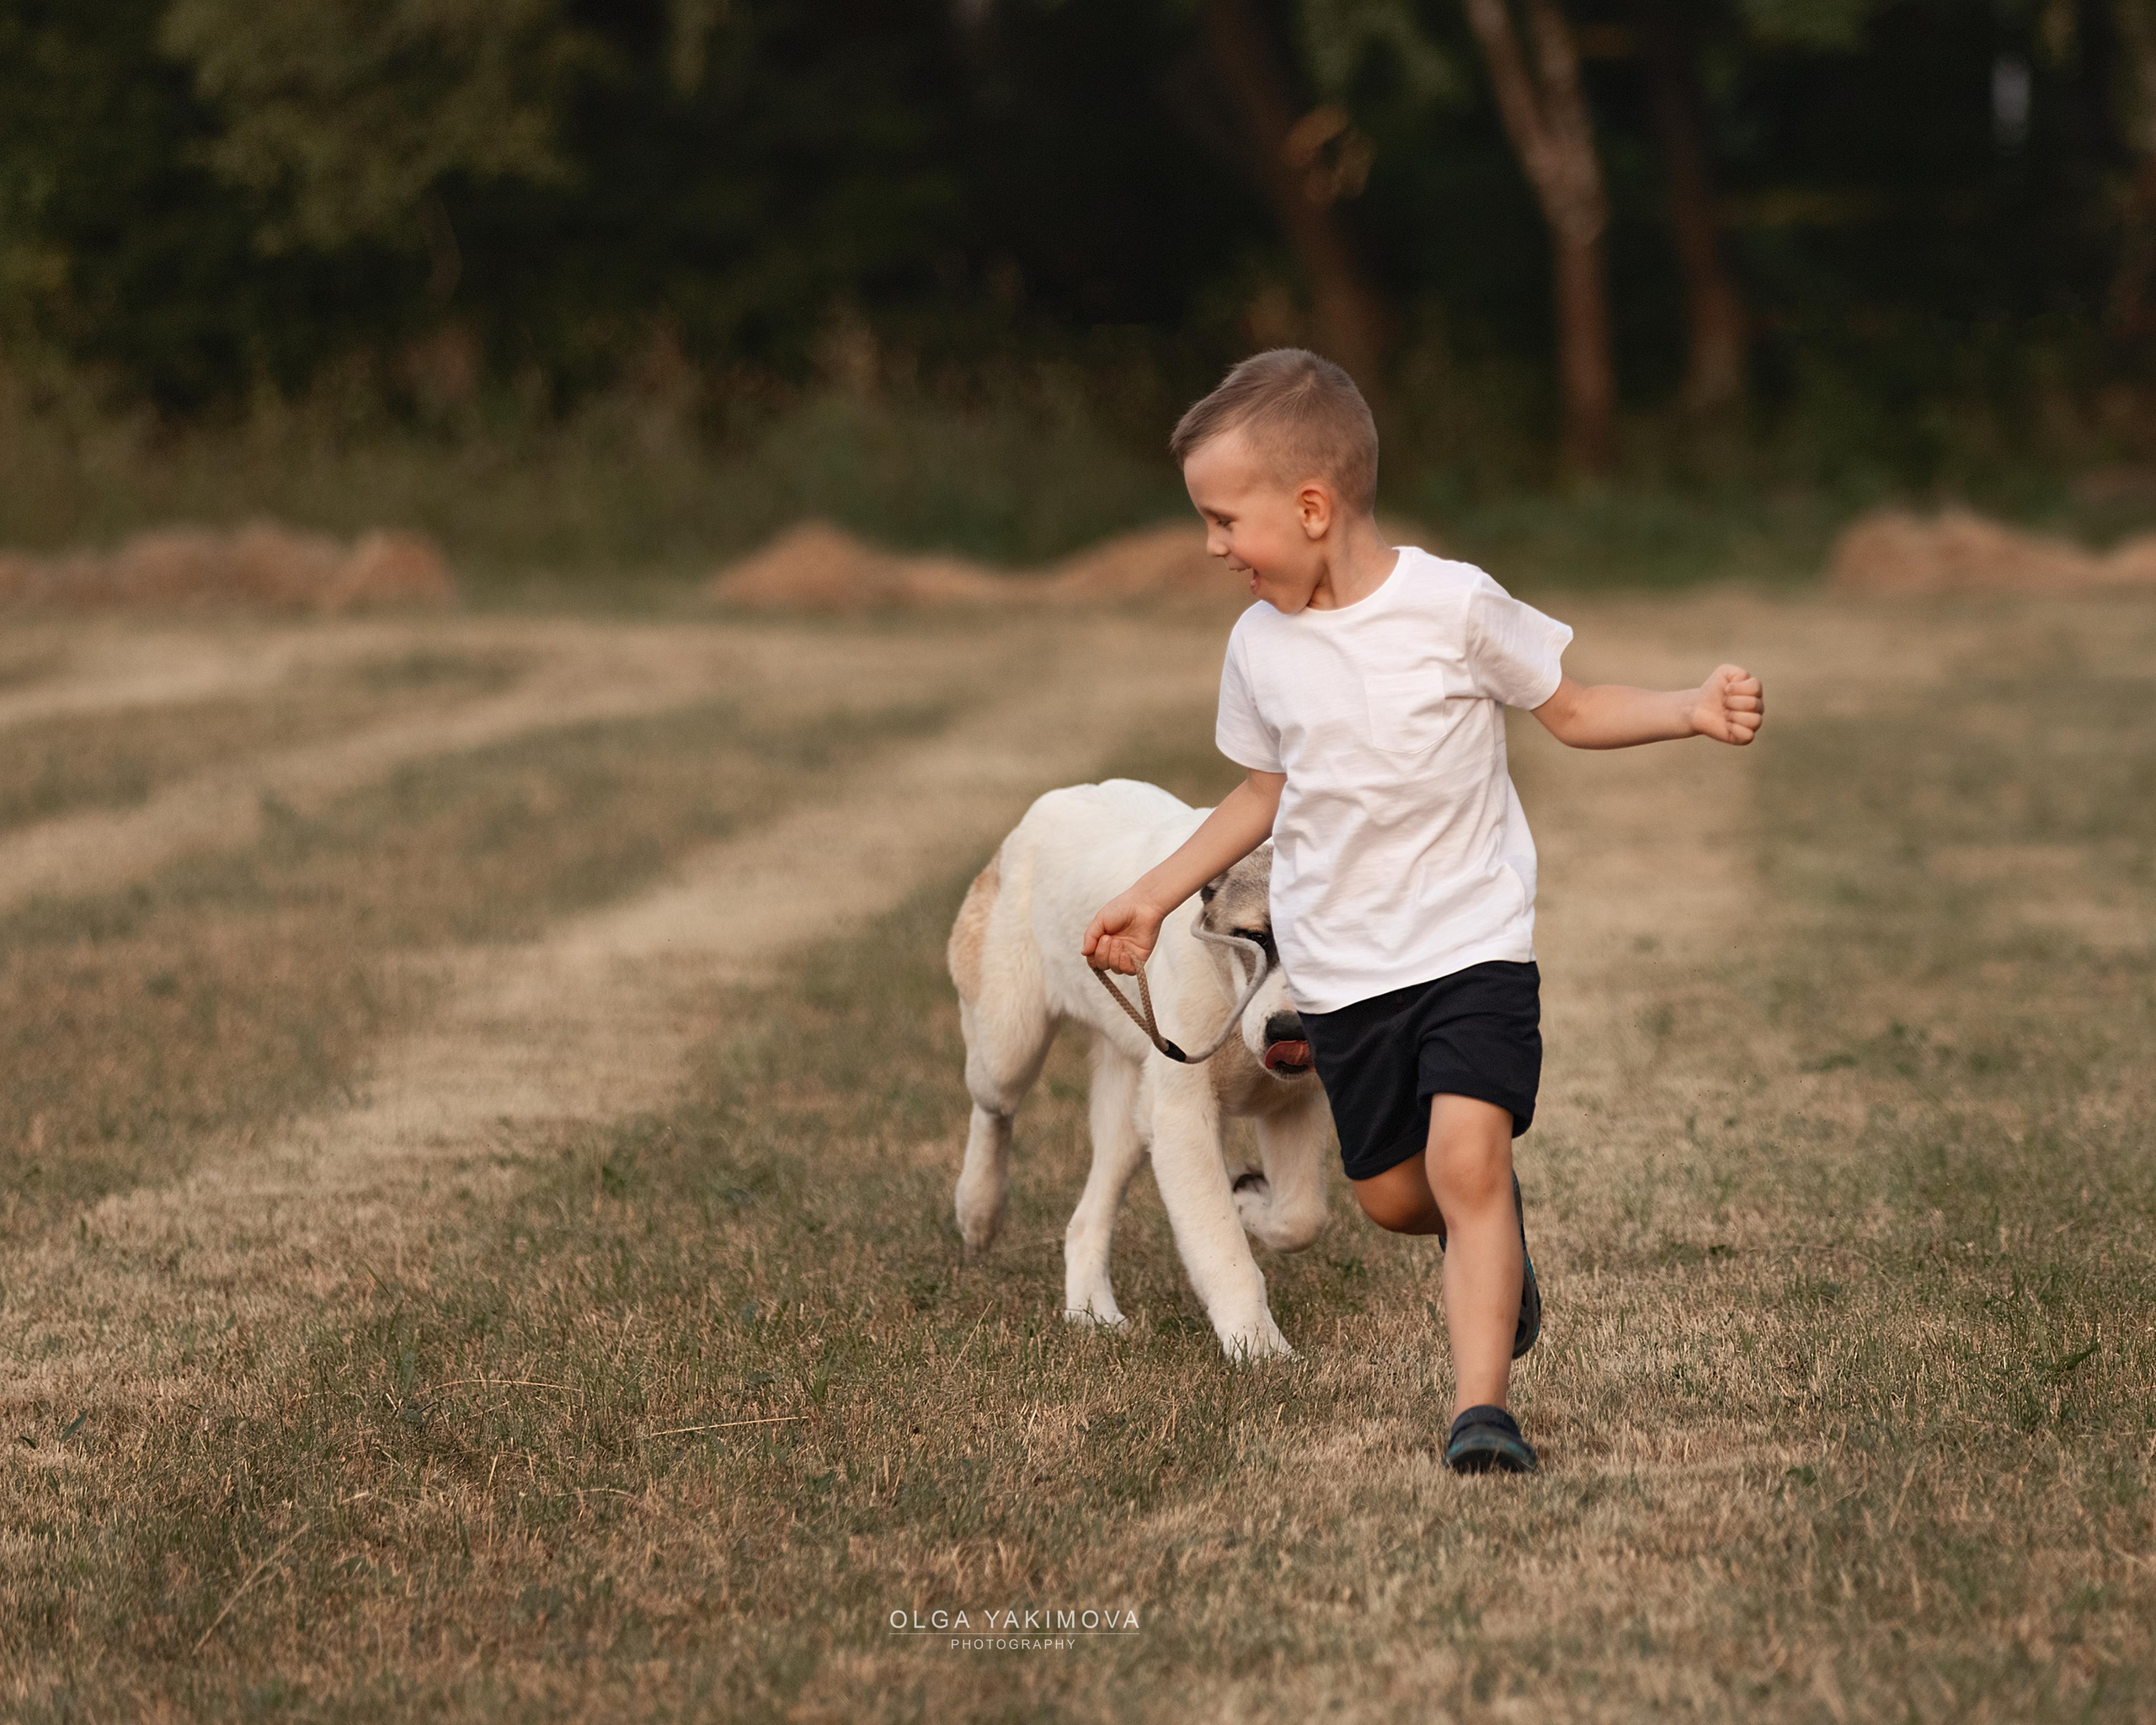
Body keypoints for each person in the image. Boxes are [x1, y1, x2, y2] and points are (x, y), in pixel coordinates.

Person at [1081, 350, 1764, 1474]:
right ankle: (1493, 1239)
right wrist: (1154, 896)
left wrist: (1688, 707)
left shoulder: (1452, 606)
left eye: (1224, 520)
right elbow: (1258, 795)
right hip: (1344, 976)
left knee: (1466, 1161)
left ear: (1312, 508)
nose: (1210, 547)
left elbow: (1573, 708)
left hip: (1469, 947)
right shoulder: (1258, 648)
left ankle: (1481, 1414)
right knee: (1400, 1199)